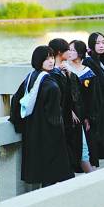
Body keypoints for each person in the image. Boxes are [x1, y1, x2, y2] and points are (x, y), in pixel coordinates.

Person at [9, 46, 74, 187]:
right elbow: (55, 114)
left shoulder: (31, 77)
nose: (50, 61)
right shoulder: (49, 82)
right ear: (38, 60)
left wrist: (19, 124)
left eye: (51, 57)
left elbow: (16, 100)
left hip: (33, 131)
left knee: (43, 173)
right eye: (46, 58)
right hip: (49, 134)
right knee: (53, 173)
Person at [48, 38, 84, 174]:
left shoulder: (63, 70)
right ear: (59, 52)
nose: (70, 52)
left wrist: (70, 74)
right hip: (61, 119)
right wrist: (70, 110)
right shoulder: (53, 73)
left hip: (68, 117)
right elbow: (60, 98)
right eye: (67, 49)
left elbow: (73, 94)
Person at [83, 32, 104, 162]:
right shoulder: (89, 62)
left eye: (103, 42)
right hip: (98, 111)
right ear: (91, 45)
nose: (101, 46)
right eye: (97, 43)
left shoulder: (103, 61)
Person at [66, 40, 96, 173]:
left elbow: (91, 98)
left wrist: (89, 117)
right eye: (69, 49)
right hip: (68, 114)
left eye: (73, 50)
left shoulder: (88, 72)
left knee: (85, 148)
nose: (70, 52)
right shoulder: (64, 69)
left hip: (83, 115)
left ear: (80, 52)